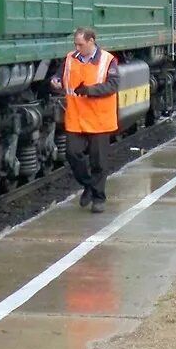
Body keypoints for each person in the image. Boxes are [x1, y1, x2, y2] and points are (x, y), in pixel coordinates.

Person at [57, 27, 120, 213]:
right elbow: (59, 77)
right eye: (75, 44)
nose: (77, 47)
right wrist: (54, 81)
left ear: (91, 41)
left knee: (98, 161)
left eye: (81, 44)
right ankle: (90, 186)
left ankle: (99, 198)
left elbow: (113, 85)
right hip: (76, 118)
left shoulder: (108, 60)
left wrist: (90, 90)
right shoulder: (70, 58)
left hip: (99, 119)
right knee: (72, 153)